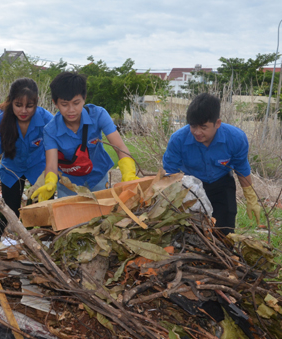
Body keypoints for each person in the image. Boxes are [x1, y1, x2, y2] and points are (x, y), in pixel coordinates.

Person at [32, 72, 139, 203]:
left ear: (84, 98)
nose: (71, 110)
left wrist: (128, 174)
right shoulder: (50, 130)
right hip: (68, 184)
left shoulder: (99, 115)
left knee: (101, 215)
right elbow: (52, 166)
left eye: (76, 103)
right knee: (69, 220)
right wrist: (49, 182)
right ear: (55, 103)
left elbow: (120, 148)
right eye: (65, 104)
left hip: (98, 177)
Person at [163, 93, 260, 235]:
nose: (197, 132)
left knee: (223, 230)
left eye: (203, 127)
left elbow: (241, 168)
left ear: (217, 123)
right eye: (193, 126)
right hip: (191, 187)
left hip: (221, 183)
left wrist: (251, 198)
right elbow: (170, 171)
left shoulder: (235, 138)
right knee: (191, 231)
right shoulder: (178, 140)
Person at [0, 78, 53, 240]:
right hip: (12, 169)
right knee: (9, 213)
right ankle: (3, 246)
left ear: (37, 103)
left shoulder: (46, 119)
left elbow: (55, 152)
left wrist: (47, 177)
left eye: (29, 106)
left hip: (39, 168)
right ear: (11, 102)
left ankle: (44, 247)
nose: (24, 111)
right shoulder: (0, 120)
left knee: (42, 211)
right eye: (18, 105)